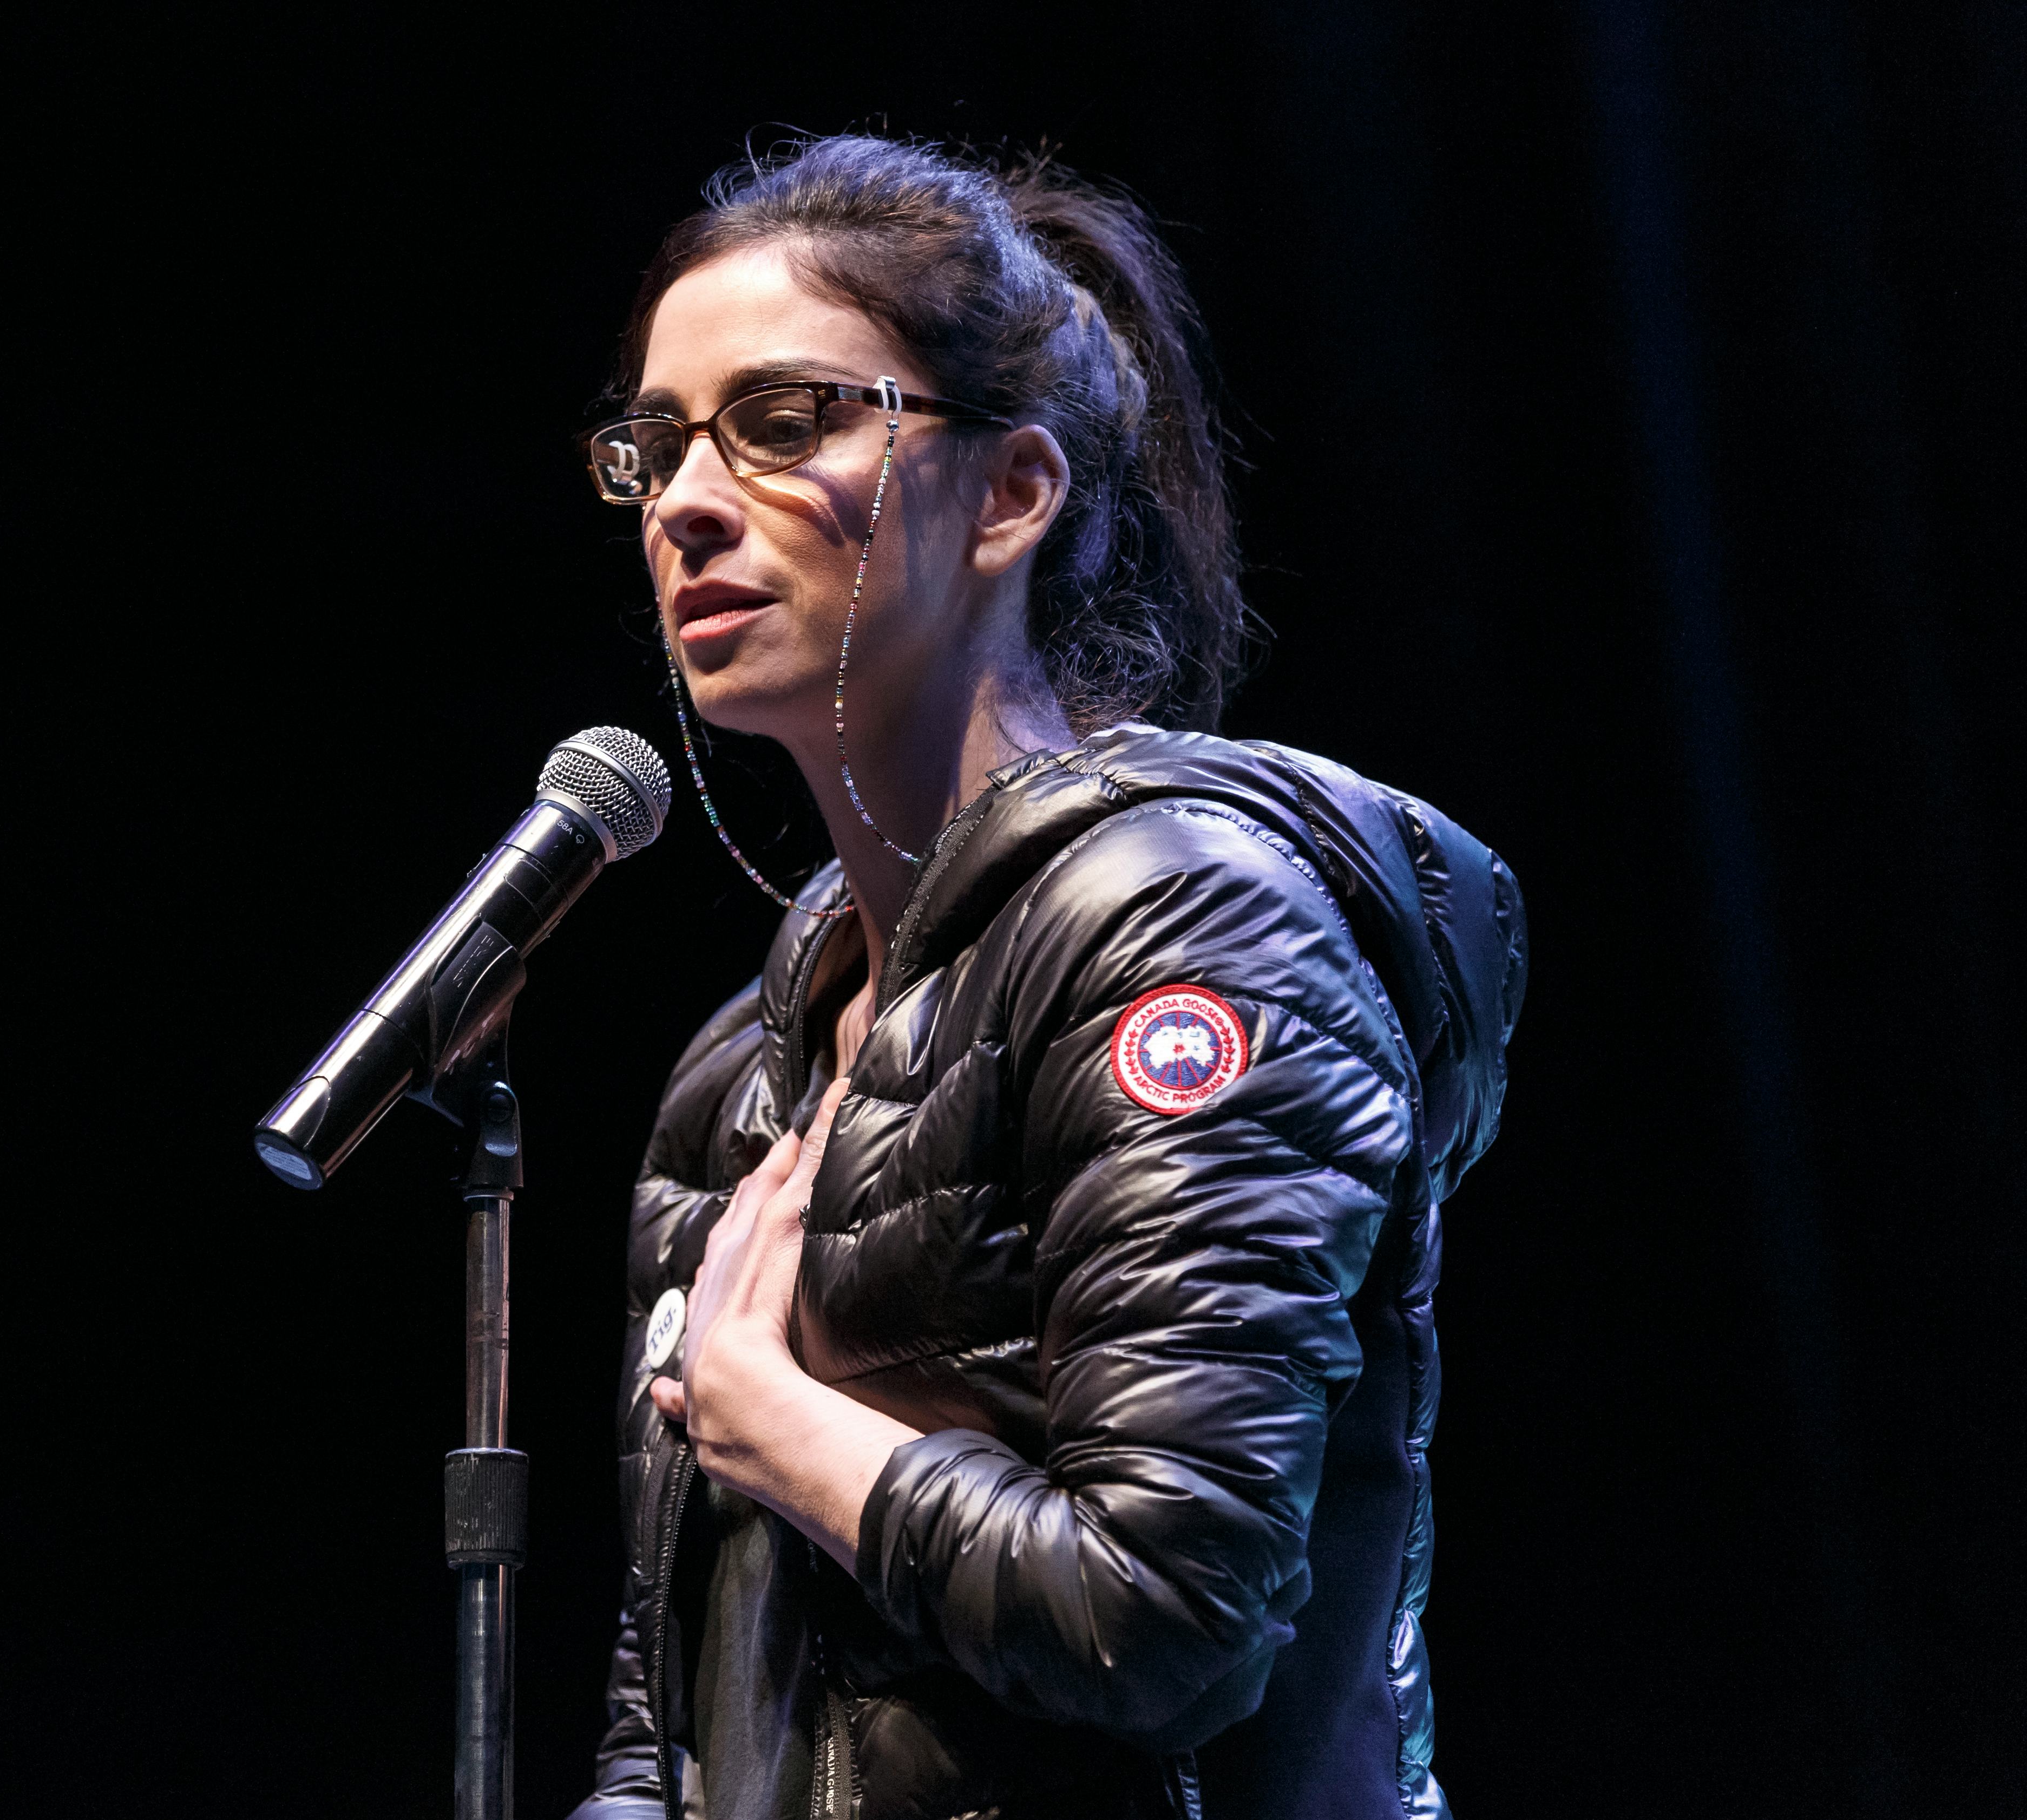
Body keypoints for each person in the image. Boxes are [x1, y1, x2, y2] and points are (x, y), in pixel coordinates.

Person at [567, 136, 1527, 1820]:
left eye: (781, 422)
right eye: (656, 444)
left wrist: (773, 1419)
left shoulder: (1182, 923)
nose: (686, 501)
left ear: (1011, 493)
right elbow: (668, 1723)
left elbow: (1167, 1616)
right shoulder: (740, 1072)